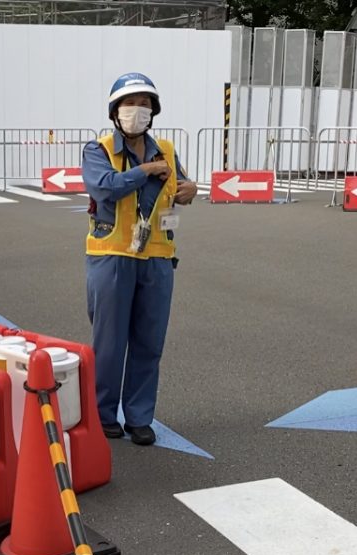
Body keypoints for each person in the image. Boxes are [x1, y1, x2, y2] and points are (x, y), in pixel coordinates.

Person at [81, 73, 197, 446]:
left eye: (146, 104)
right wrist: (145, 171)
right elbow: (105, 187)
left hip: (158, 258)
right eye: (131, 103)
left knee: (149, 342)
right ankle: (102, 414)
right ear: (116, 111)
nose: (138, 110)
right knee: (110, 342)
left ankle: (139, 417)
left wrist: (189, 189)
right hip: (112, 257)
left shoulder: (165, 147)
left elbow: (180, 185)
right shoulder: (98, 150)